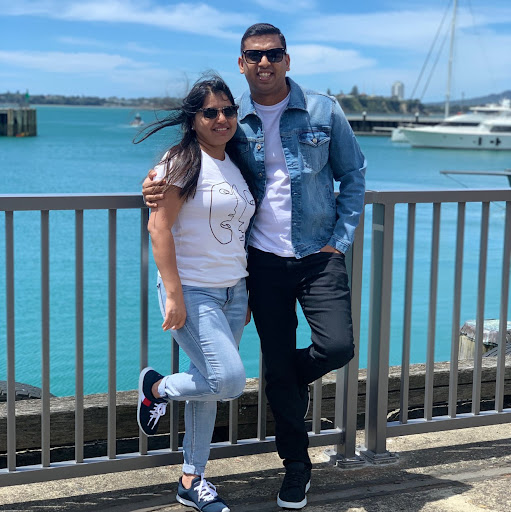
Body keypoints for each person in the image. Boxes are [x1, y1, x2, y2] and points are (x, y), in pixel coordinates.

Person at [143, 23, 366, 510]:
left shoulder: (324, 110)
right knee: (250, 373)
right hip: (260, 265)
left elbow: (353, 176)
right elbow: (193, 166)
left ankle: (282, 377)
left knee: (337, 346)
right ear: (242, 63)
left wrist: (340, 241)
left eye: (274, 54)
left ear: (288, 59)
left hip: (318, 255)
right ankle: (296, 468)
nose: (265, 63)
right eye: (255, 56)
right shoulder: (235, 120)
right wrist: (155, 184)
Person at [135, 74, 255, 512]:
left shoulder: (236, 162)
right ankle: (157, 389)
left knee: (207, 384)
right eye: (210, 112)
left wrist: (246, 294)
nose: (222, 119)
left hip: (234, 291)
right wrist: (173, 294)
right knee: (228, 380)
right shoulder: (181, 162)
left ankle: (191, 479)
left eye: (228, 111)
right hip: (193, 290)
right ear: (193, 119)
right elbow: (159, 228)